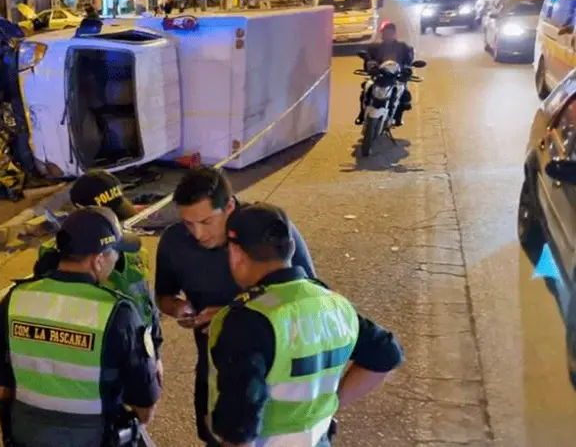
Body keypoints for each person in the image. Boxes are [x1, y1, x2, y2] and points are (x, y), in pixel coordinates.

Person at [207, 203, 404, 446]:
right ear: (289, 249)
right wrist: (327, 408)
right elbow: (386, 355)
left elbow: (239, 430)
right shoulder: (335, 305)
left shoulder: (246, 321)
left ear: (237, 253)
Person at [154, 166, 316, 447]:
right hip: (215, 366)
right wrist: (178, 308)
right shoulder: (174, 241)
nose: (197, 234)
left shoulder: (265, 229)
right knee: (216, 435)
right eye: (189, 224)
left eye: (206, 221)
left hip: (275, 370)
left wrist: (232, 315)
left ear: (229, 206)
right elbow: (164, 295)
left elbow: (307, 298)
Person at [0, 207, 161, 447]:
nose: (117, 259)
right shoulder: (118, 313)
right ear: (98, 261)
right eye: (115, 253)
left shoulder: (16, 299)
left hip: (27, 436)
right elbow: (145, 406)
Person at [32, 171, 164, 382]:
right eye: (108, 218)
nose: (118, 223)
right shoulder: (54, 259)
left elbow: (146, 305)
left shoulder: (133, 250)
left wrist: (154, 353)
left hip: (133, 360)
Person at [356, 21, 415, 127]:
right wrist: (370, 65)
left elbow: (409, 61)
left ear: (394, 33)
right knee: (366, 89)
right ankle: (361, 115)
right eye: (385, 33)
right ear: (382, 34)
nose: (387, 35)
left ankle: (398, 117)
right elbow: (368, 58)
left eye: (390, 33)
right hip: (379, 76)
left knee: (404, 95)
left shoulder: (403, 47)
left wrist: (407, 70)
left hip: (395, 77)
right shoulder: (375, 47)